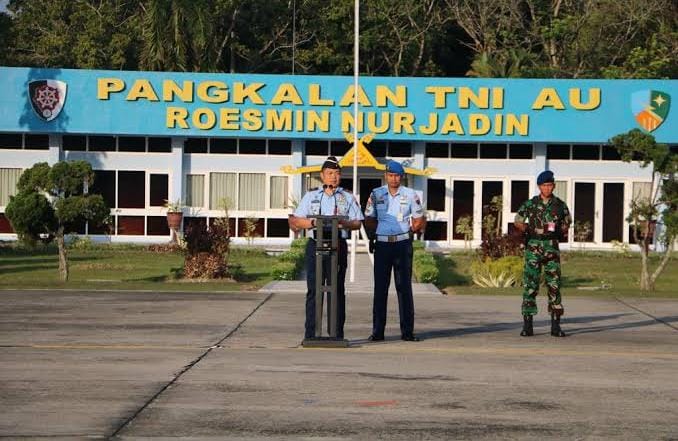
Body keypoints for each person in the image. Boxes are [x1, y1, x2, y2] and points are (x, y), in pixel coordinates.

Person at [288, 156, 363, 340]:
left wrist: (344, 223)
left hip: (338, 246)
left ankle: (336, 334)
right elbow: (297, 220)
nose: (334, 177)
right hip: (316, 245)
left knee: (337, 290)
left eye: (337, 174)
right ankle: (311, 334)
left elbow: (357, 223)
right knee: (314, 290)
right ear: (322, 176)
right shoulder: (311, 196)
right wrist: (313, 222)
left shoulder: (347, 197)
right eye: (330, 174)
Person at [364, 160, 426, 342]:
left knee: (404, 288)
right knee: (380, 289)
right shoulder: (376, 194)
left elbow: (418, 218)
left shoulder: (410, 194)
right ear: (385, 176)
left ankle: (407, 332)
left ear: (402, 177)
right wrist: (377, 233)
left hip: (402, 244)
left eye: (397, 175)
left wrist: (409, 232)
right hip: (383, 245)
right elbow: (369, 218)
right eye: (390, 175)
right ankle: (377, 332)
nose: (393, 179)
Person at [514, 170, 571, 337]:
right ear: (539, 186)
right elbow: (518, 219)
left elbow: (567, 222)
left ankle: (555, 325)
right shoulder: (530, 204)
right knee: (530, 284)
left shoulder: (560, 205)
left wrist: (561, 229)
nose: (547, 188)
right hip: (533, 247)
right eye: (544, 185)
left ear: (553, 186)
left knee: (554, 285)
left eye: (550, 185)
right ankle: (528, 324)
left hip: (551, 247)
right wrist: (524, 227)